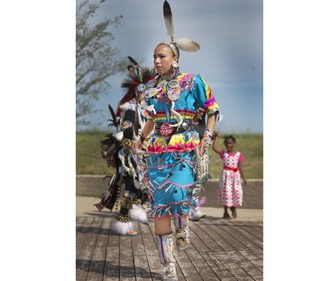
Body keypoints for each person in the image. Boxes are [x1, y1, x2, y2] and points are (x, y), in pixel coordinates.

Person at [135, 2, 220, 279]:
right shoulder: (151, 89)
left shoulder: (193, 81)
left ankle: (183, 224)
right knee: (160, 208)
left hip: (184, 150)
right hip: (157, 153)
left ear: (175, 58)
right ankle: (168, 266)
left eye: (161, 56)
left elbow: (212, 109)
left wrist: (206, 136)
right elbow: (151, 119)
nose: (156, 61)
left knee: (179, 194)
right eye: (154, 57)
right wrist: (140, 138)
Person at [94, 59, 156, 236]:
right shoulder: (130, 109)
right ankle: (122, 220)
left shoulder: (149, 110)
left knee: (140, 188)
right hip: (131, 156)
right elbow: (127, 132)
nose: (145, 94)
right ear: (137, 92)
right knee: (131, 186)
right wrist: (132, 146)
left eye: (147, 92)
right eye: (142, 91)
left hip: (145, 154)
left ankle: (130, 213)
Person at [212, 133, 247, 219]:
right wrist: (215, 137)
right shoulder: (224, 153)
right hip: (225, 177)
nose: (228, 145)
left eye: (230, 143)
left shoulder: (239, 155)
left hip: (235, 177)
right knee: (226, 193)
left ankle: (233, 208)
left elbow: (240, 167)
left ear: (234, 143)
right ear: (225, 144)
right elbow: (214, 148)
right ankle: (225, 211)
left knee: (235, 192)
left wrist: (244, 178)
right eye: (227, 143)